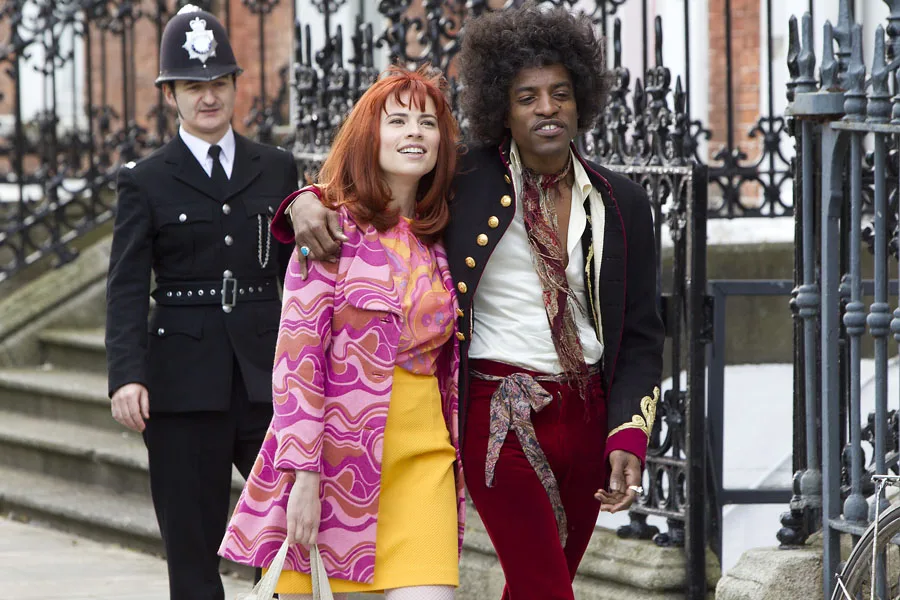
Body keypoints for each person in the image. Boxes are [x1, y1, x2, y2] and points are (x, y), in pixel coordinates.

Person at [271, 5, 665, 600]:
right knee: (546, 589)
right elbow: (381, 184)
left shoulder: (624, 202)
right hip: (498, 410)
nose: (547, 108)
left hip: (587, 411)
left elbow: (640, 334)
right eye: (527, 96)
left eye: (560, 94)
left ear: (582, 100)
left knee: (543, 582)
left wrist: (628, 432)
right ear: (502, 107)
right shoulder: (465, 178)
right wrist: (303, 201)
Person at [219, 65, 466, 600]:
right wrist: (303, 476)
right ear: (369, 136)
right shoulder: (330, 229)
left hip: (425, 457)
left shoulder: (445, 232)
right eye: (397, 121)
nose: (415, 132)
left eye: (427, 123)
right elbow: (297, 363)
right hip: (338, 465)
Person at [104, 5, 298, 599]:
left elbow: (298, 277)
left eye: (218, 82)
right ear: (171, 95)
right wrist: (126, 375)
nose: (208, 97)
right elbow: (127, 284)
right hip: (182, 386)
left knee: (289, 541)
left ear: (236, 85)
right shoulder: (146, 179)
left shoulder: (277, 168)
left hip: (267, 377)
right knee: (191, 554)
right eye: (193, 86)